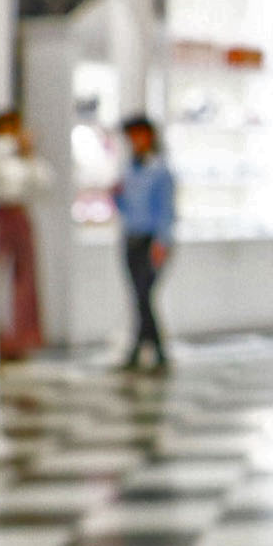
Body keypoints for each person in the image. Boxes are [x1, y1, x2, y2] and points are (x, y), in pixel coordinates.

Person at [113, 115, 174, 372]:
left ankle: (149, 350)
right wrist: (116, 197)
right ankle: (145, 350)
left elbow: (166, 210)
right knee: (138, 296)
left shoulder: (160, 170)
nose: (134, 141)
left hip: (151, 240)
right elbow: (125, 207)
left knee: (144, 295)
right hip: (131, 237)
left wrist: (162, 242)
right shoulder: (128, 169)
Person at [0, 109, 49, 361]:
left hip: (19, 214)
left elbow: (43, 184)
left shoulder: (24, 159)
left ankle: (21, 336)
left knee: (24, 276)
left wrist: (28, 154)